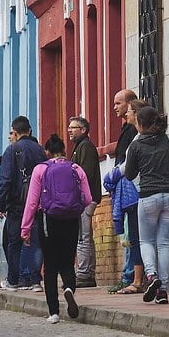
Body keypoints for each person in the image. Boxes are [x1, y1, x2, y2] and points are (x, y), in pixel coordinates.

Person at [123, 106, 169, 305]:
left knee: (146, 241)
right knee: (164, 242)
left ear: (140, 124)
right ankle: (163, 290)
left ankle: (151, 276)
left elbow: (129, 174)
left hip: (148, 197)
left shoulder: (136, 145)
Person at [22, 134, 93, 324]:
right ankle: (69, 288)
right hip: (71, 220)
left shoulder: (40, 169)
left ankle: (53, 312)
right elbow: (87, 198)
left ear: (47, 152)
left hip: (48, 220)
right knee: (68, 261)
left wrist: (25, 228)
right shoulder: (75, 168)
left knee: (51, 265)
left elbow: (32, 202)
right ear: (64, 150)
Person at [0, 116, 46, 291]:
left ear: (15, 133)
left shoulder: (12, 150)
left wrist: (1, 204)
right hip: (38, 203)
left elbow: (6, 180)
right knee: (35, 241)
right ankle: (35, 280)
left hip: (18, 204)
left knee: (13, 242)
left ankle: (14, 279)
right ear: (30, 131)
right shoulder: (40, 150)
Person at [106, 96, 147, 294]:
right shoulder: (130, 131)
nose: (115, 107)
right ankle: (149, 279)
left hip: (137, 191)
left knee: (137, 238)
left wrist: (114, 175)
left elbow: (129, 165)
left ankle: (135, 278)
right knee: (144, 238)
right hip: (144, 192)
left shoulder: (136, 136)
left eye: (119, 103)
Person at [67, 116, 101, 287]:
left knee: (83, 237)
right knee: (86, 237)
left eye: (73, 127)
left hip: (85, 199)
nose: (70, 130)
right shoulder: (78, 147)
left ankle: (83, 274)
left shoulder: (85, 147)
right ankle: (88, 273)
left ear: (83, 130)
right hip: (84, 199)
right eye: (69, 127)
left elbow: (84, 175)